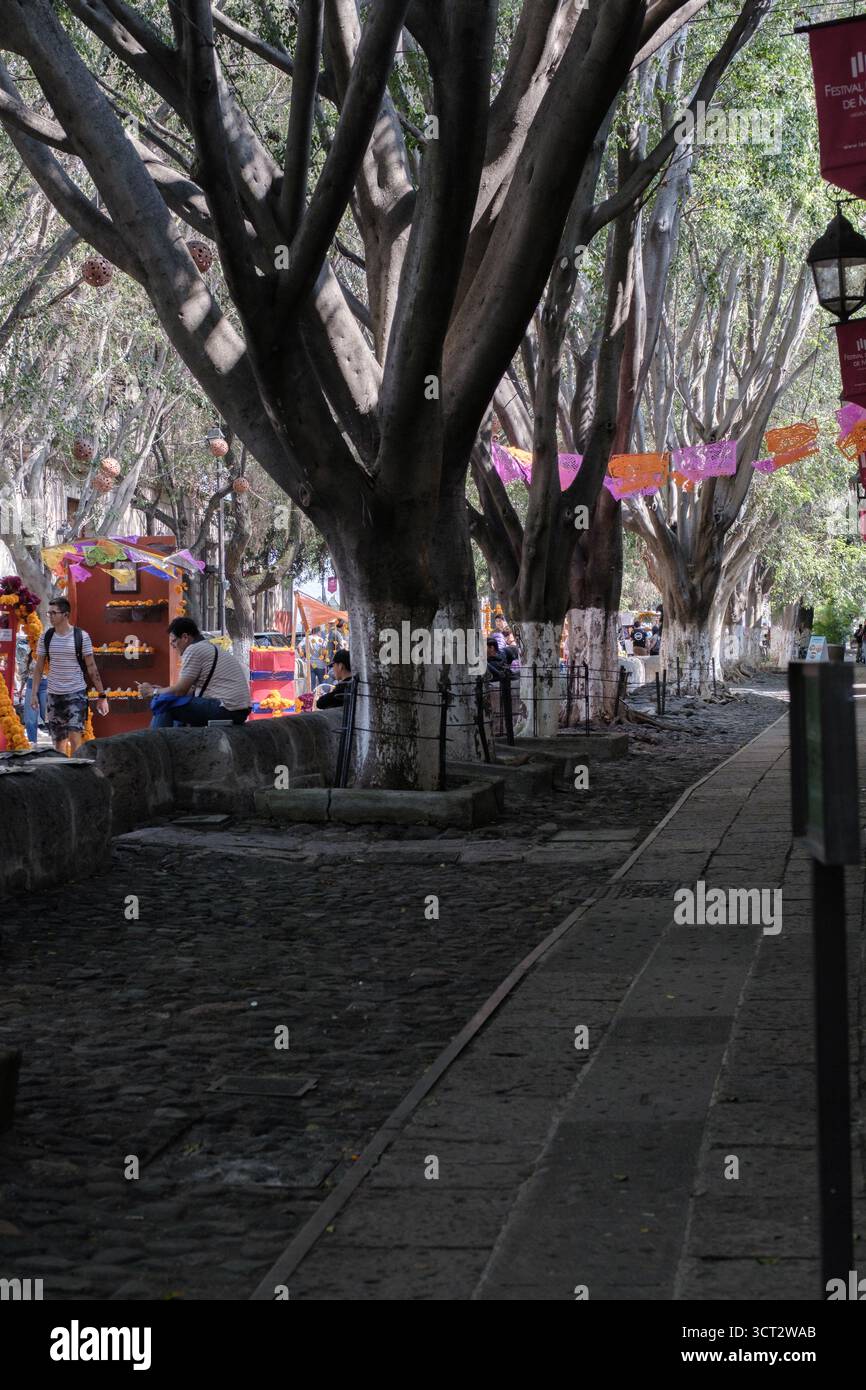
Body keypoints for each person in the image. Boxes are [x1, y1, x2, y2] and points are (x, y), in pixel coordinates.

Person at [29, 597, 109, 754]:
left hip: (76, 693)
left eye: (54, 613)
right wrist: (34, 694)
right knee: (59, 744)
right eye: (49, 613)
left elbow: (92, 667)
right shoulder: (46, 637)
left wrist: (102, 695)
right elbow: (38, 668)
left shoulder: (81, 636)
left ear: (65, 615)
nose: (50, 616)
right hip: (54, 694)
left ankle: (77, 775)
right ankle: (63, 776)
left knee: (75, 739)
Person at [139, 617, 251, 728]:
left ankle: (155, 743)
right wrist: (162, 692)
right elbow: (188, 691)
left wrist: (153, 692)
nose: (173, 646)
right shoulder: (208, 647)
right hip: (237, 710)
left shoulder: (194, 650)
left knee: (164, 704)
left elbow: (180, 691)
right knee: (170, 701)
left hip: (226, 708)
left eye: (174, 641)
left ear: (185, 637)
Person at [19, 648, 48, 745]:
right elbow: (24, 675)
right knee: (30, 716)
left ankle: (57, 740)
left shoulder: (48, 653)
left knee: (47, 714)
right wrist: (21, 690)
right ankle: (32, 741)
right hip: (31, 686)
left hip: (46, 685)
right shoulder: (28, 656)